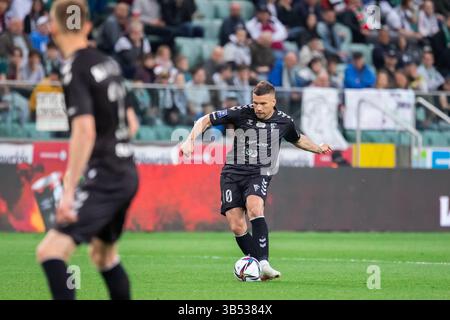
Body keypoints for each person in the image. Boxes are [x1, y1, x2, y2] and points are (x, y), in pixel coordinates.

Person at [36, 0, 139, 300]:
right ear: (88, 26)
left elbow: (84, 130)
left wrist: (69, 191)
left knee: (50, 251)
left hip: (105, 175)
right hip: (126, 171)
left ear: (52, 28)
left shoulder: (72, 67)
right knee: (104, 257)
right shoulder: (108, 63)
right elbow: (131, 123)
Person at [180, 81, 332, 280]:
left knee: (255, 207)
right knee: (236, 225)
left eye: (263, 104)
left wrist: (318, 148)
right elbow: (206, 119)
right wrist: (190, 140)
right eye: (255, 103)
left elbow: (298, 139)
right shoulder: (241, 113)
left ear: (273, 102)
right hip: (232, 172)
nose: (258, 108)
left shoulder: (284, 122)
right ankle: (258, 266)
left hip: (260, 171)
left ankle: (263, 264)